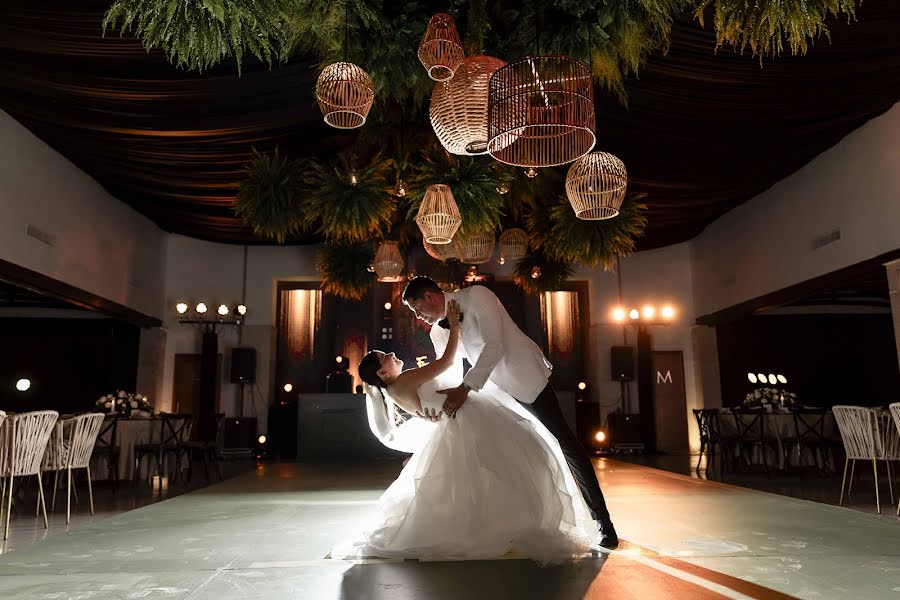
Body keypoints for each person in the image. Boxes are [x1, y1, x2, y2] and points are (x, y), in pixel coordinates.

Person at [332, 300, 595, 564]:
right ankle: (507, 524)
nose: (392, 355)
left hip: (455, 421)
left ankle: (494, 524)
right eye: (385, 356)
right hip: (466, 417)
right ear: (382, 371)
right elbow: (446, 363)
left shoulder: (394, 390)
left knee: (477, 477)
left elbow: (427, 408)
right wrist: (455, 327)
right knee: (508, 464)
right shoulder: (404, 380)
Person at [402, 276, 619, 548]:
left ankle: (603, 522)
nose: (417, 315)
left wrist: (465, 388)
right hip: (490, 391)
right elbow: (447, 368)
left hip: (525, 378)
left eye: (416, 308)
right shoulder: (438, 331)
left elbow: (496, 345)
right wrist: (429, 399)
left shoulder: (478, 295)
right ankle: (511, 523)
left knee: (565, 442)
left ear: (431, 297)